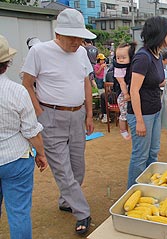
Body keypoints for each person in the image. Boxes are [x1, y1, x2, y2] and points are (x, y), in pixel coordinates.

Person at [21, 9, 96, 235]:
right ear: (58, 33)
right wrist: (39, 113)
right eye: (72, 36)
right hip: (51, 116)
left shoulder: (81, 53)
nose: (77, 41)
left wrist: (89, 113)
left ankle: (66, 200)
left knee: (77, 167)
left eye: (79, 36)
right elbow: (26, 84)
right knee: (62, 169)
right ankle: (82, 212)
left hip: (78, 114)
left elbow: (85, 83)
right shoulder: (39, 51)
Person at [0, 34, 47, 239]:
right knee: (18, 213)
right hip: (15, 158)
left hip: (13, 158)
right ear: (6, 63)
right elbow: (31, 130)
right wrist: (41, 153)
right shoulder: (16, 91)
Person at [126, 16, 167, 188]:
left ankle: (148, 187)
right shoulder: (143, 57)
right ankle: (132, 191)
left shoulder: (157, 56)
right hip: (142, 114)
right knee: (140, 156)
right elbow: (134, 90)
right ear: (159, 33)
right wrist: (139, 121)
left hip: (154, 111)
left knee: (153, 153)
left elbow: (153, 81)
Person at [113, 42, 137, 140]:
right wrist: (126, 94)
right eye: (118, 58)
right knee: (124, 114)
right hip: (123, 95)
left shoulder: (131, 66)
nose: (120, 60)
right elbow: (122, 83)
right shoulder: (118, 68)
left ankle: (131, 131)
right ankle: (123, 130)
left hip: (130, 93)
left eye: (123, 57)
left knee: (132, 113)